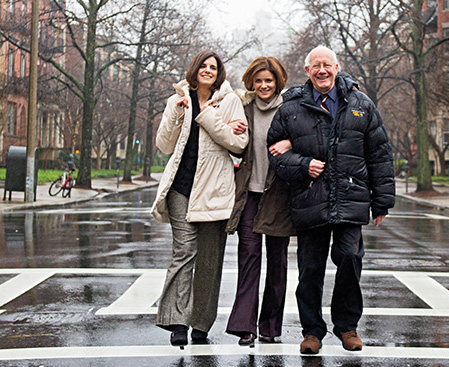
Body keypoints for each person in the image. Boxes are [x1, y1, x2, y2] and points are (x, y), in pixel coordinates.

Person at [267, 46, 395, 354]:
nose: (322, 70)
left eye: (327, 65)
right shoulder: (290, 108)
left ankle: (347, 326)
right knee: (310, 269)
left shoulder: (361, 104)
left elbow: (379, 154)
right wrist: (302, 164)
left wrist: (382, 202)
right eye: (315, 66)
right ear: (307, 71)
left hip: (351, 199)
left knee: (350, 259)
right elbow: (274, 154)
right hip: (310, 200)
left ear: (336, 67)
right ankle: (312, 331)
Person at [150, 50, 249, 349]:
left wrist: (208, 117)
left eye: (213, 67)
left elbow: (239, 144)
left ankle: (201, 324)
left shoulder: (230, 101)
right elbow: (164, 145)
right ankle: (178, 322)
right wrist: (177, 113)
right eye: (203, 66)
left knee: (209, 260)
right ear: (194, 69)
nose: (208, 70)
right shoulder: (178, 98)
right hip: (181, 188)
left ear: (219, 72)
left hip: (215, 191)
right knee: (184, 253)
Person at [224, 57, 294, 347]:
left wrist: (291, 143)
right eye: (258, 81)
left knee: (277, 262)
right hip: (249, 195)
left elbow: (309, 139)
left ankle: (270, 327)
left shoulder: (291, 110)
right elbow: (228, 144)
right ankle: (245, 327)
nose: (264, 85)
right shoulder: (243, 108)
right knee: (249, 257)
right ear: (250, 82)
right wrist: (232, 130)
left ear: (278, 82)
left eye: (269, 80)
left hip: (279, 195)